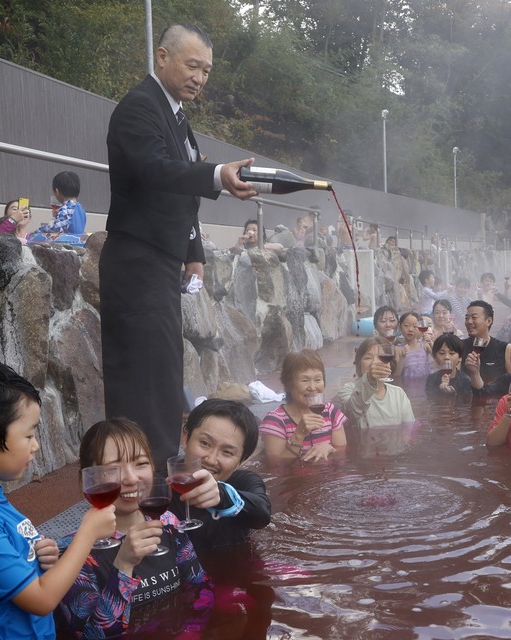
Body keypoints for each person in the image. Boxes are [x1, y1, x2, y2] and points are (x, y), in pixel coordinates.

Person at [100, 24, 257, 471]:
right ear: (163, 57)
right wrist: (214, 176)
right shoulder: (138, 108)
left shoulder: (177, 116)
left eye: (206, 70)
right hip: (135, 261)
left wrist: (194, 254)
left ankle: (157, 477)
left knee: (163, 375)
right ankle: (140, 488)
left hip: (161, 260)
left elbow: (181, 194)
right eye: (192, 66)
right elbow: (155, 170)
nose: (199, 78)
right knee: (142, 381)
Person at [0, 363, 117, 640]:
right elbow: (42, 600)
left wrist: (41, 555)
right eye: (29, 435)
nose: (36, 445)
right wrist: (87, 533)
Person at [56, 418, 214, 638]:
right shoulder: (72, 553)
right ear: (87, 480)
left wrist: (193, 631)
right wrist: (123, 565)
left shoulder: (168, 523)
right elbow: (92, 635)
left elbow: (200, 588)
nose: (131, 479)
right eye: (113, 468)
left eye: (140, 463)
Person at [170, 399, 271, 551]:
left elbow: (262, 515)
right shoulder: (162, 484)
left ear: (242, 460)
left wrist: (223, 496)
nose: (211, 460)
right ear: (186, 438)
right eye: (205, 443)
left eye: (227, 452)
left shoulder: (244, 481)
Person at [259, 349, 347, 463]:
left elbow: (342, 452)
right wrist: (299, 434)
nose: (312, 387)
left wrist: (329, 448)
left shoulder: (331, 412)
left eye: (318, 380)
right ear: (289, 384)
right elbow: (276, 464)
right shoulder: (275, 422)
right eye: (305, 380)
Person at [338, 337, 415, 456]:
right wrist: (369, 380)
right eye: (368, 358)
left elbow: (408, 429)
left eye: (381, 357)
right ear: (359, 364)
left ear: (389, 363)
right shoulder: (348, 390)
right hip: (363, 457)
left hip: (392, 457)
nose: (375, 362)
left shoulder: (398, 394)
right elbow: (351, 413)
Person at [461, 300, 508, 396]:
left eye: (474, 317)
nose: (469, 321)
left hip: (494, 404)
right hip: (466, 404)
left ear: (488, 321)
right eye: (467, 318)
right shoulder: (460, 347)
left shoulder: (505, 349)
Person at [426, 333, 472, 398]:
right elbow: (430, 400)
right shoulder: (432, 379)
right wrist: (440, 391)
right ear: (435, 358)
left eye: (452, 353)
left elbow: (466, 402)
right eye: (442, 353)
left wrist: (452, 394)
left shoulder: (465, 380)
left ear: (460, 358)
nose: (446, 357)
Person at [394, 311, 433, 381]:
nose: (410, 329)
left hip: (426, 386)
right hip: (407, 387)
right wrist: (403, 357)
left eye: (415, 326)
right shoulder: (398, 349)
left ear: (420, 328)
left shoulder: (425, 346)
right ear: (400, 327)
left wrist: (432, 345)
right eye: (406, 325)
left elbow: (438, 362)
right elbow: (396, 375)